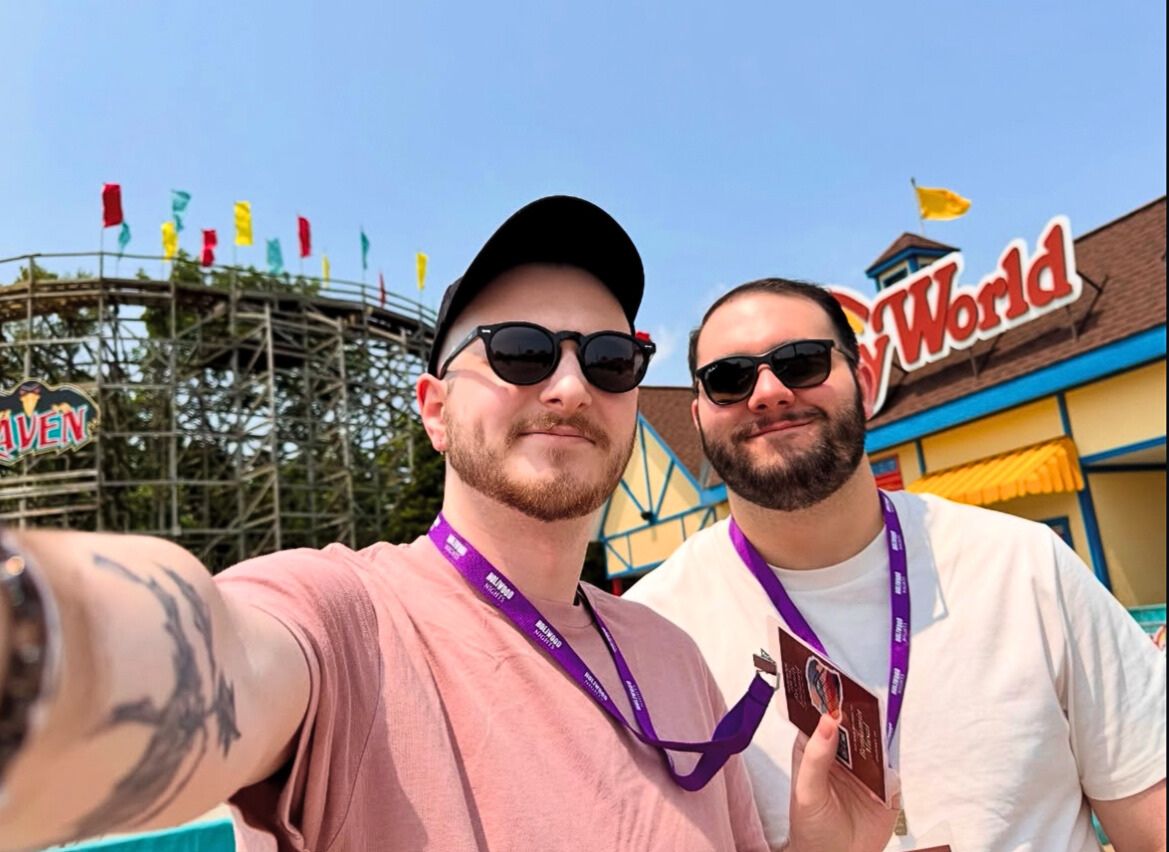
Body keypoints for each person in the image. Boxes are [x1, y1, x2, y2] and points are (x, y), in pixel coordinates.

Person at [0, 201, 896, 852]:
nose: (570, 385)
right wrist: (40, 636)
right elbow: (210, 654)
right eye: (519, 351)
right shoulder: (351, 620)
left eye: (612, 359)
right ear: (432, 409)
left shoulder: (673, 659)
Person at [625, 277, 1168, 851]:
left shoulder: (1025, 566)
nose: (768, 392)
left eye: (801, 362)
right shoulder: (653, 636)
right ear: (698, 417)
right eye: (728, 379)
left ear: (861, 380)